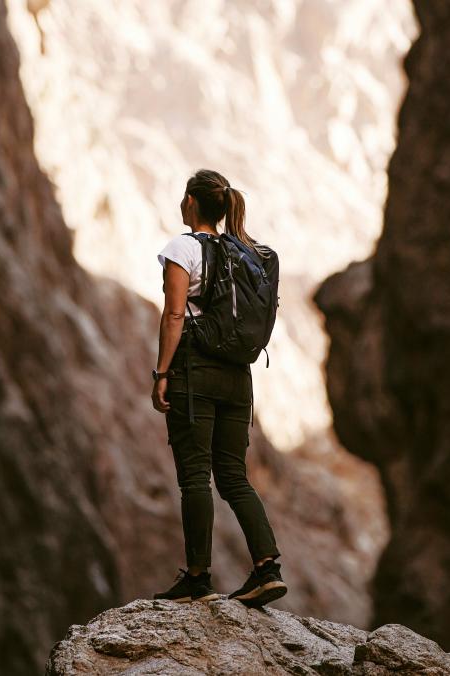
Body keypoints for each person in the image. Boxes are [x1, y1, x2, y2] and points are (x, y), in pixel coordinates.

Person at [149, 169, 286, 607]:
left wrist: (160, 374)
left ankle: (196, 579)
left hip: (194, 371)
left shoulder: (182, 249)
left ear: (191, 202)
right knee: (233, 477)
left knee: (195, 477)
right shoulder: (244, 251)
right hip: (237, 377)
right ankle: (267, 569)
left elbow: (174, 317)